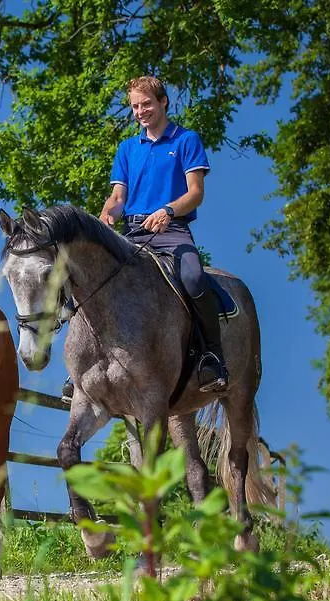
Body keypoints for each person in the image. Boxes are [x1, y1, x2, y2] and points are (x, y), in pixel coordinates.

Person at [61, 75, 228, 402]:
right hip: (132, 233)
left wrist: (168, 210)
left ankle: (212, 357)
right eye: (135, 106)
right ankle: (79, 370)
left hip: (171, 230)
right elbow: (118, 196)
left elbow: (196, 194)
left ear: (164, 102)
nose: (141, 111)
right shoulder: (127, 148)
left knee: (194, 278)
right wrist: (108, 213)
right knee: (88, 279)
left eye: (146, 104)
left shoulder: (186, 140)